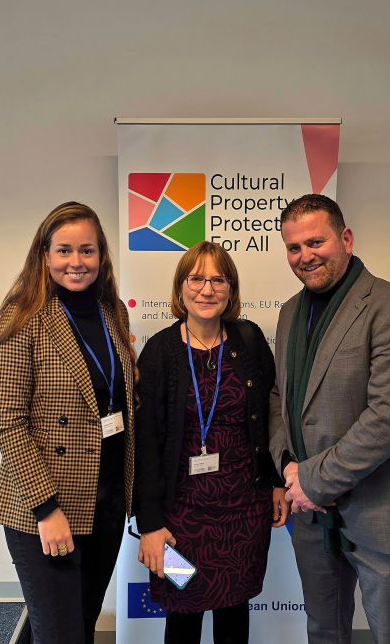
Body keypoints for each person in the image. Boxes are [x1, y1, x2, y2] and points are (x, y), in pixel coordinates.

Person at [269, 194, 390, 644]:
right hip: (311, 516)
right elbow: (280, 398)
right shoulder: (290, 312)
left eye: (315, 242)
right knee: (323, 632)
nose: (304, 256)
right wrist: (288, 462)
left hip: (382, 508)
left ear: (345, 238)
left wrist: (312, 482)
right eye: (293, 247)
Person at [0, 202, 136, 644]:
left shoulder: (113, 314)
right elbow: (7, 421)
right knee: (62, 634)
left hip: (105, 504)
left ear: (101, 256)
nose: (77, 262)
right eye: (65, 250)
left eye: (87, 250)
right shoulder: (23, 318)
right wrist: (46, 509)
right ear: (45, 255)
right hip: (47, 511)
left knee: (74, 626)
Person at [134, 241, 289, 644]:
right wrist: (149, 523)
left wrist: (275, 481)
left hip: (242, 513)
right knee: (183, 616)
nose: (207, 289)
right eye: (197, 278)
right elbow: (145, 444)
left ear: (231, 289)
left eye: (218, 279)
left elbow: (271, 417)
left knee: (234, 615)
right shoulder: (159, 352)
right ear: (180, 287)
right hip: (180, 518)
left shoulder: (250, 341)